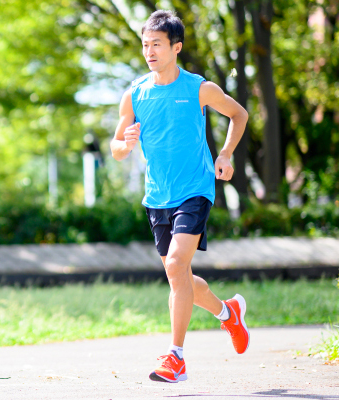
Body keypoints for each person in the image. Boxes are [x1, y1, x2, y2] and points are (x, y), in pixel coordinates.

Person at [110, 10, 250, 383]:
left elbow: (239, 114)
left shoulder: (198, 88)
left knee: (174, 267)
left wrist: (224, 155)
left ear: (176, 47)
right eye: (145, 45)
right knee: (181, 277)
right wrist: (123, 144)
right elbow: (116, 147)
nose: (149, 51)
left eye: (157, 44)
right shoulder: (135, 94)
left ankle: (176, 357)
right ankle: (228, 313)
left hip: (195, 190)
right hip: (157, 197)